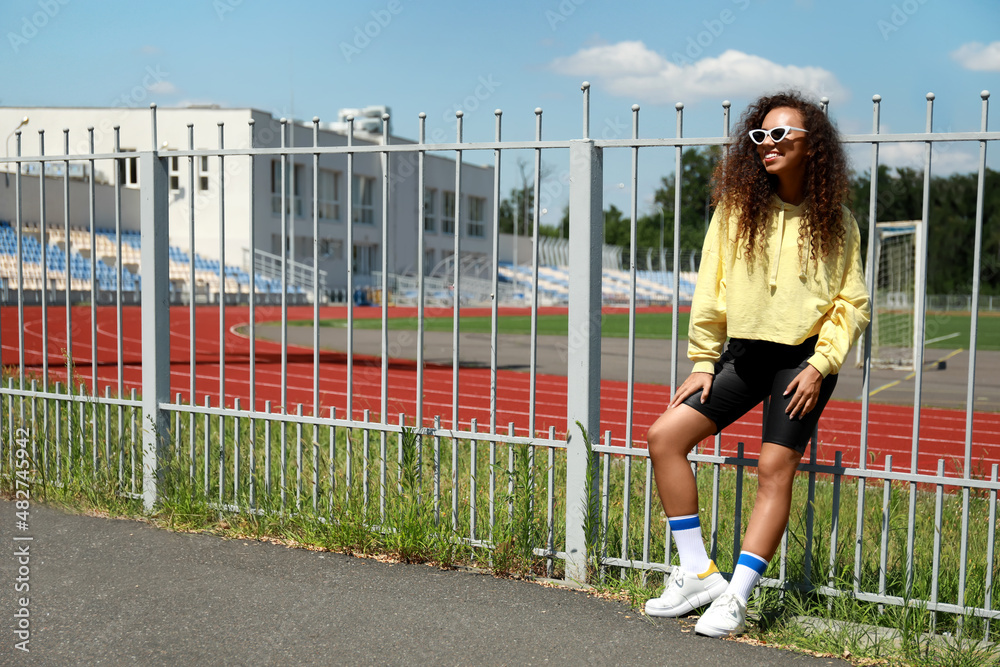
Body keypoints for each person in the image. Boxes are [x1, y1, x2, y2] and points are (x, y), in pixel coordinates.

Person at [643, 90, 871, 638]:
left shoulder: (837, 221)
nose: (766, 144)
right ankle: (699, 573)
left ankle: (737, 597)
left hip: (804, 361)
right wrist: (703, 360)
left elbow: (852, 302)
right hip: (744, 354)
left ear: (810, 146)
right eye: (759, 135)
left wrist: (822, 363)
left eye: (779, 135)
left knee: (774, 471)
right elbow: (710, 290)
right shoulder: (735, 211)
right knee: (664, 437)